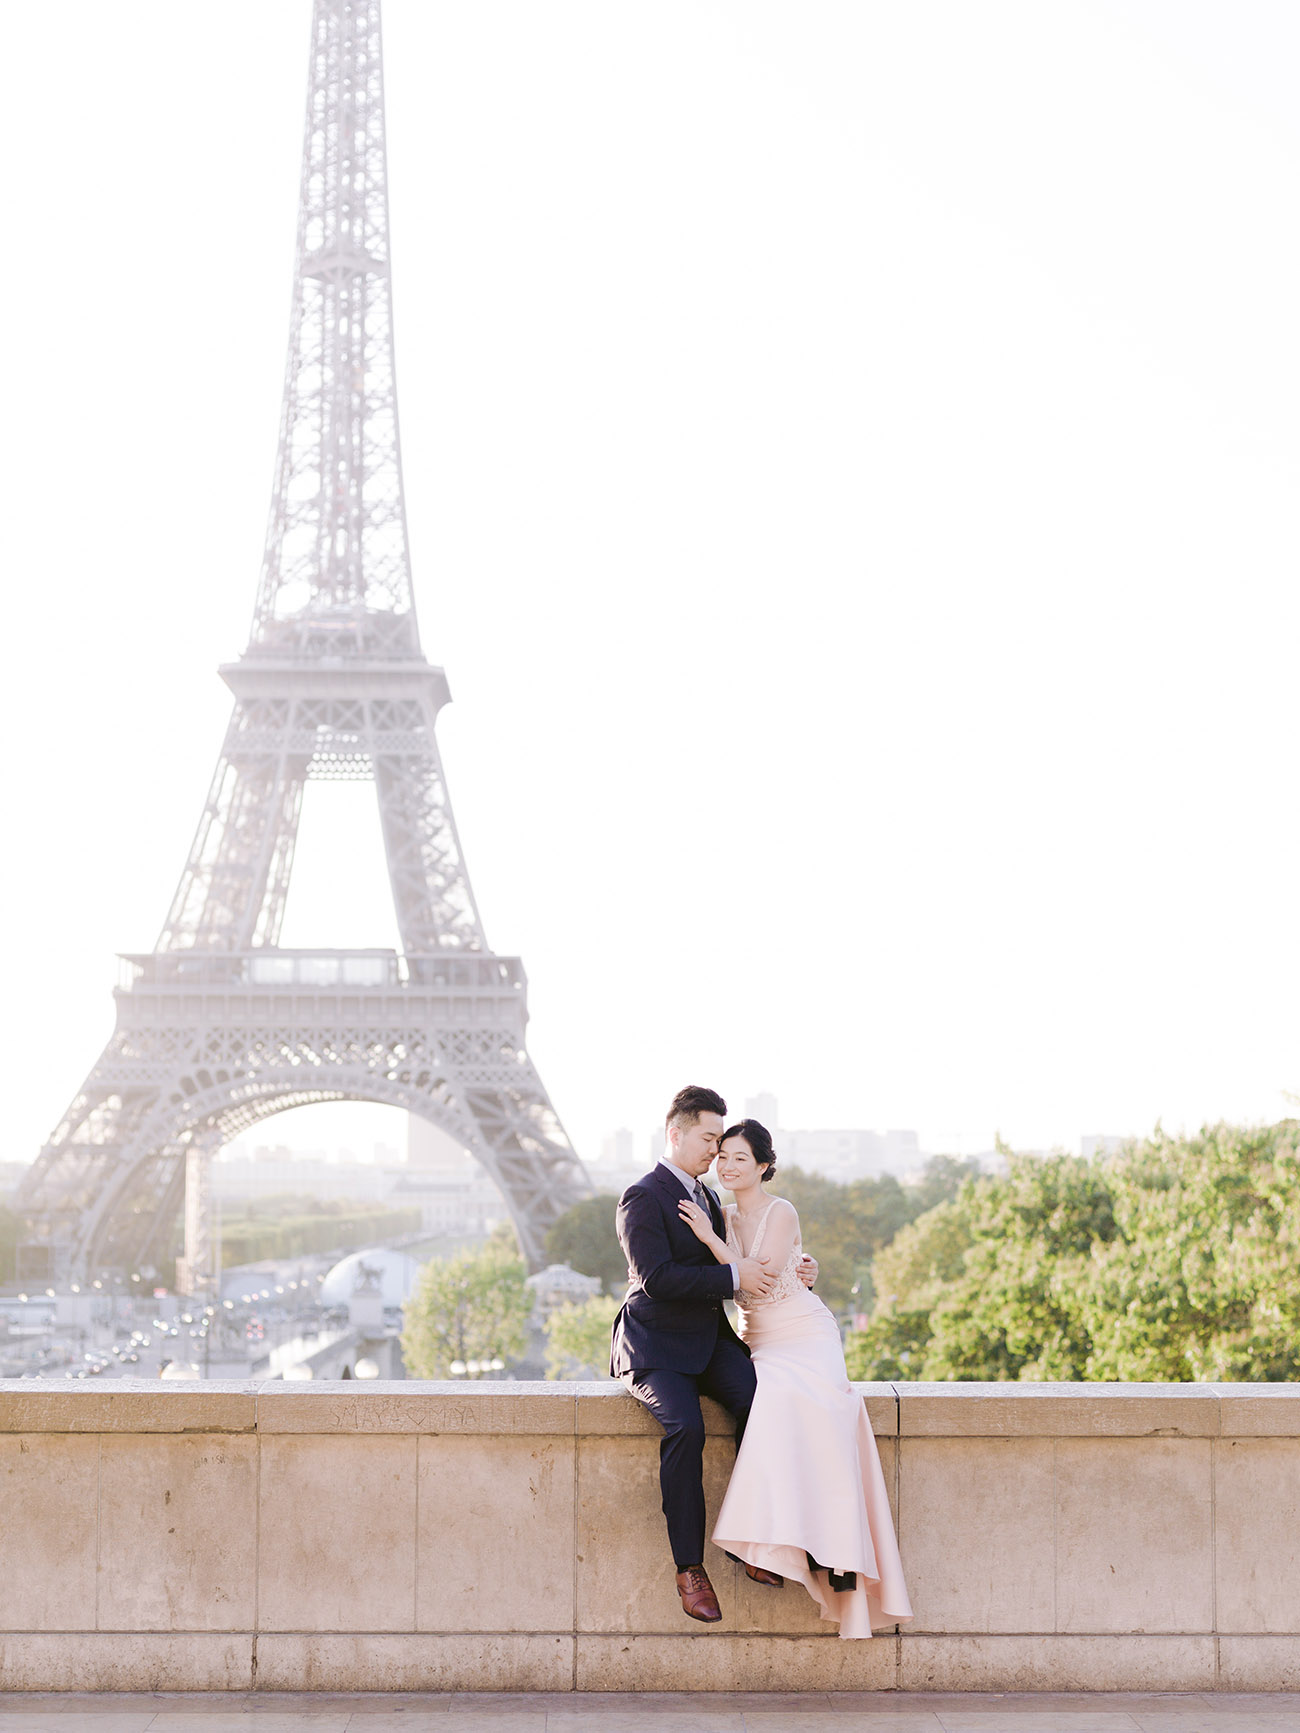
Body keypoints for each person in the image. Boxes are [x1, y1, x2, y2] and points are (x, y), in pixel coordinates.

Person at [677, 1118, 912, 1639]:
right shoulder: (720, 1213)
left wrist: (708, 1239)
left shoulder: (779, 1211)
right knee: (772, 1403)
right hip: (760, 1340)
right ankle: (777, 1542)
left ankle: (839, 1555)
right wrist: (711, 1234)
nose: (729, 1165)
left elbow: (758, 1277)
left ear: (763, 1165)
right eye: (724, 1156)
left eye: (741, 1158)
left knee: (823, 1410)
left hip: (805, 1332)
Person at [610, 1085, 818, 1623]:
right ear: (674, 1134)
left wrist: (798, 1267)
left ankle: (749, 1539)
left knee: (762, 1405)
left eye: (720, 1141)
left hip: (708, 1339)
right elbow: (655, 1278)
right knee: (686, 1429)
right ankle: (688, 1568)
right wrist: (730, 1276)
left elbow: (755, 1254)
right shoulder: (642, 1196)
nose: (715, 1150)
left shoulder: (707, 1197)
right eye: (708, 1139)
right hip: (655, 1346)